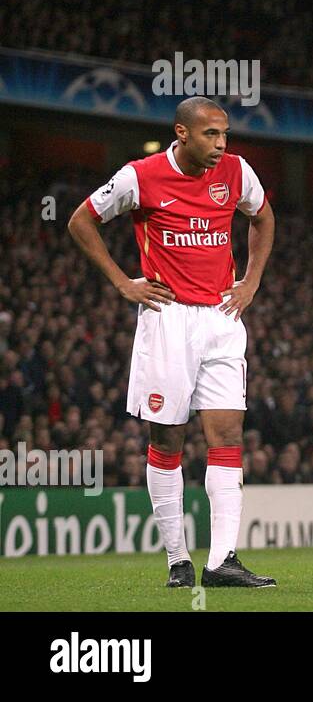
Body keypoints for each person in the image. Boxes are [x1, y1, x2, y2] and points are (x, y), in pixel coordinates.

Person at [67, 97, 277, 589]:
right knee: (167, 439)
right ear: (181, 133)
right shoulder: (141, 176)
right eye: (211, 135)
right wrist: (123, 282)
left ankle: (222, 560)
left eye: (225, 135)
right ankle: (178, 560)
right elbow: (81, 220)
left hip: (223, 316)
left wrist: (251, 281)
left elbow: (264, 218)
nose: (221, 144)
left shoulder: (236, 171)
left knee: (226, 435)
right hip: (168, 319)